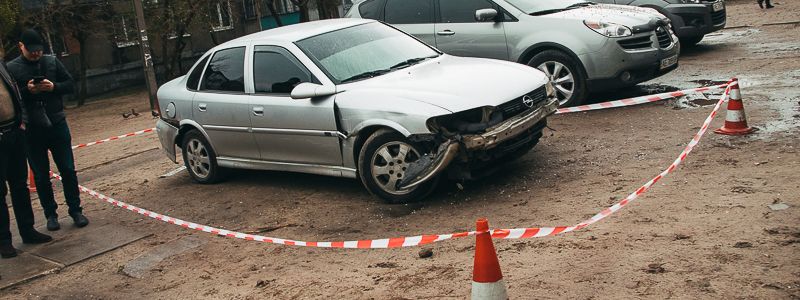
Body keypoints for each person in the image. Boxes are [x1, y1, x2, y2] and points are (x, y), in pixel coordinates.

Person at [7, 29, 88, 231]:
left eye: (39, 50)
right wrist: (28, 91)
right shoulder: (12, 68)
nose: (36, 54)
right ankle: (50, 214)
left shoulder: (52, 62)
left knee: (68, 169)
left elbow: (70, 84)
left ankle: (75, 210)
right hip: (32, 129)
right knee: (41, 175)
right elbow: (11, 99)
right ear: (21, 46)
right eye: (32, 51)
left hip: (57, 123)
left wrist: (54, 87)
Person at [1, 58, 53, 258]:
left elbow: (16, 95)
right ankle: (4, 240)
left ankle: (27, 230)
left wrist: (21, 123)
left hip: (14, 132)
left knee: (20, 186)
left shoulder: (2, 66)